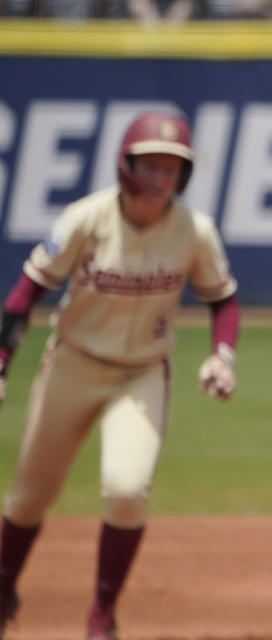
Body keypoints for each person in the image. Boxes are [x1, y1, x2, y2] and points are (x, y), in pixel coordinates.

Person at [0, 111, 239, 640]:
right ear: (126, 167)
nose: (161, 179)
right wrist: (2, 358)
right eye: (151, 166)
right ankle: (3, 587)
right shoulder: (86, 218)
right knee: (30, 495)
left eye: (172, 169)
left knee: (127, 489)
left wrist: (223, 354)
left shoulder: (194, 231)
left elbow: (222, 298)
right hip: (73, 364)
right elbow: (27, 290)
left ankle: (101, 615)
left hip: (142, 374)